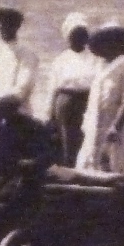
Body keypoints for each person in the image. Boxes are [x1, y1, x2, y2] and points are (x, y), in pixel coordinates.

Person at [77, 21, 124, 175]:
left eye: (112, 41)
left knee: (116, 165)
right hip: (96, 125)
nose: (108, 45)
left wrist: (115, 127)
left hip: (117, 127)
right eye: (104, 41)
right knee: (91, 164)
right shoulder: (99, 66)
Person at [0, 92, 59, 203]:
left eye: (3, 111)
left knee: (0, 198)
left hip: (26, 174)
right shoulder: (3, 126)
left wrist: (31, 162)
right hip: (5, 173)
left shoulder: (34, 126)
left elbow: (48, 154)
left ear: (13, 110)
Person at [45, 12, 96, 166]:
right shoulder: (61, 59)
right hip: (65, 103)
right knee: (66, 141)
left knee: (86, 138)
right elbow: (52, 88)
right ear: (68, 37)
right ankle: (68, 170)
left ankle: (88, 168)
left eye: (82, 34)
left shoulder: (95, 58)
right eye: (74, 35)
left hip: (87, 101)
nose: (78, 38)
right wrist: (50, 114)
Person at [0, 6, 40, 116]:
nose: (3, 27)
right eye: (0, 23)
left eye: (8, 24)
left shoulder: (27, 54)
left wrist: (7, 103)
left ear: (16, 27)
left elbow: (24, 87)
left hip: (19, 114)